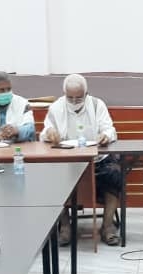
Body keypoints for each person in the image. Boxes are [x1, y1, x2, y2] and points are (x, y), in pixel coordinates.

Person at [41, 74, 122, 246]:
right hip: (66, 161)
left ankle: (107, 226)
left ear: (86, 94)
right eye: (70, 97)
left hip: (97, 159)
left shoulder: (97, 105)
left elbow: (110, 129)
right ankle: (65, 226)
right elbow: (45, 132)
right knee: (51, 179)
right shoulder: (56, 108)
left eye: (78, 98)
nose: (74, 101)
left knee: (114, 173)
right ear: (64, 94)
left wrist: (105, 136)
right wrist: (50, 134)